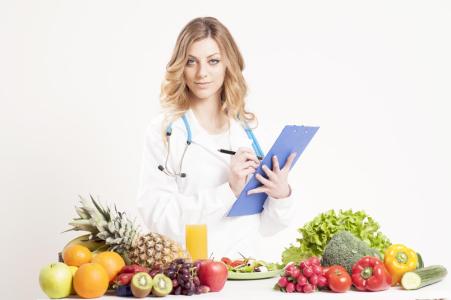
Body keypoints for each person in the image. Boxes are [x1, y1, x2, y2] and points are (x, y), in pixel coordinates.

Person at [137, 17, 297, 258]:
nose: (202, 73)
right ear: (181, 66)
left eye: (213, 61)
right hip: (191, 277)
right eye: (191, 61)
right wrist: (228, 191)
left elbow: (266, 227)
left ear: (227, 65)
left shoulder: (250, 131)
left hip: (246, 272)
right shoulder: (166, 132)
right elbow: (157, 217)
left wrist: (281, 195)